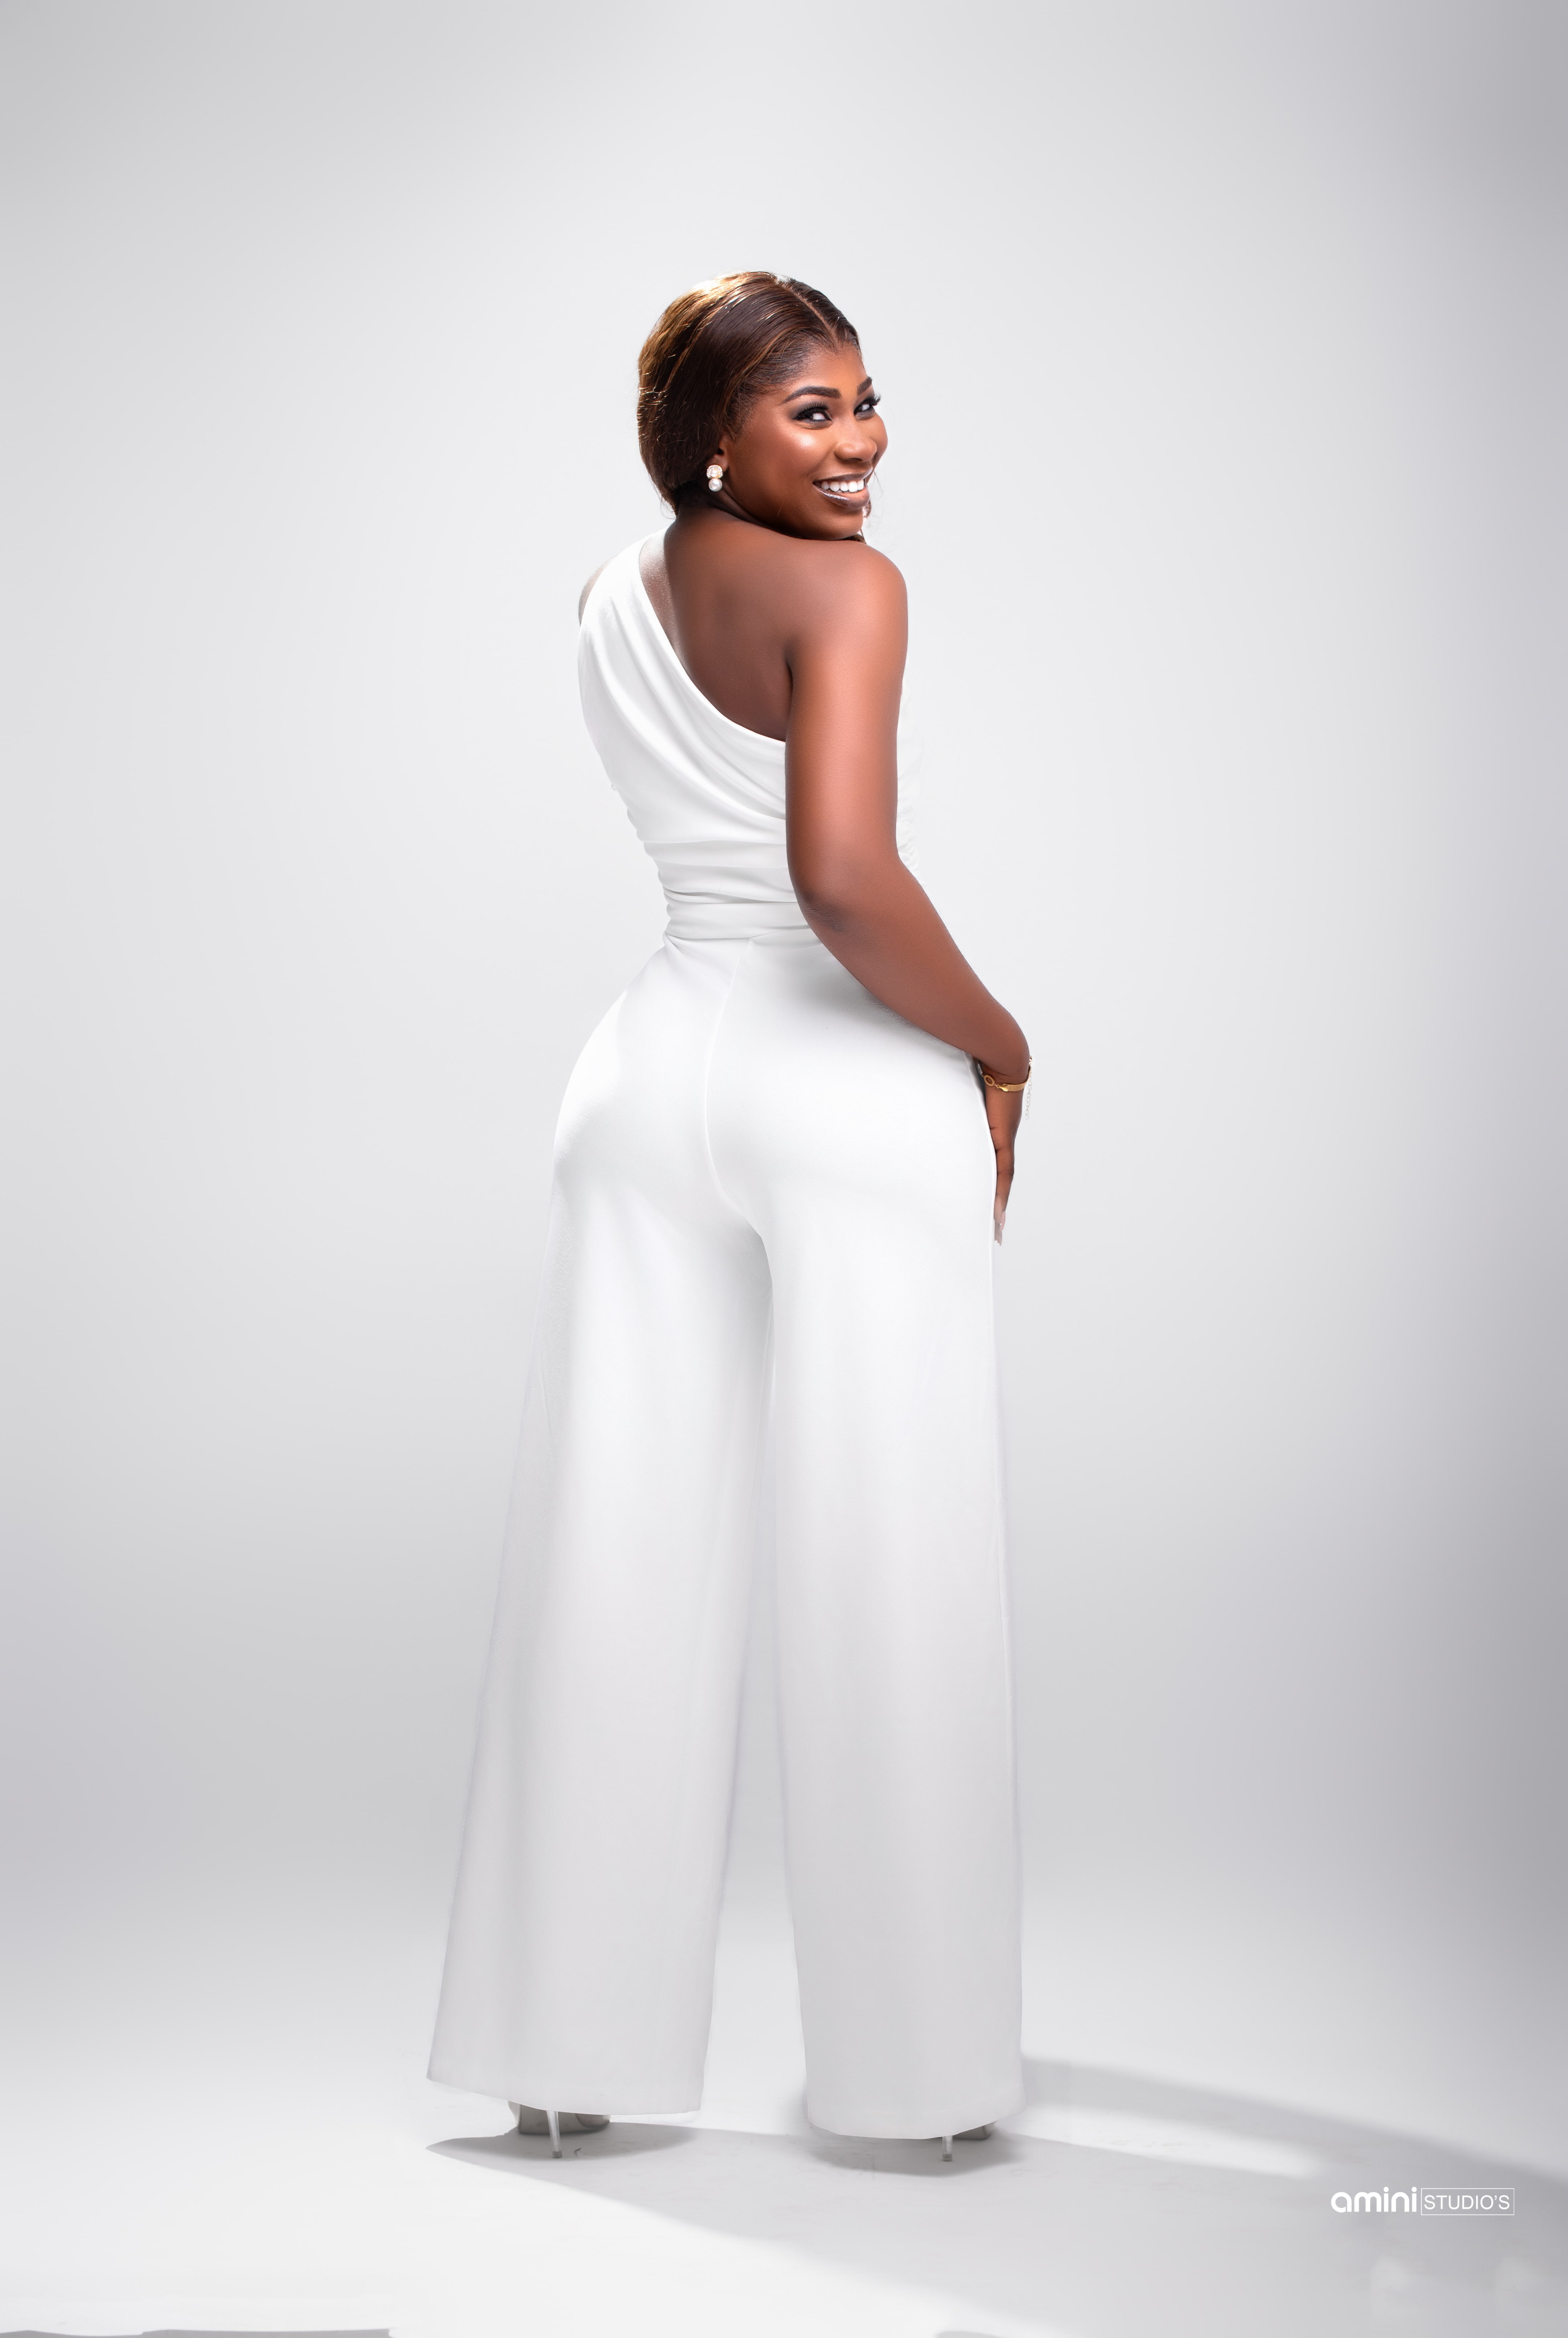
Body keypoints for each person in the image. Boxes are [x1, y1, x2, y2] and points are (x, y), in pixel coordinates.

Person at [428, 272, 1030, 2158]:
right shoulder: (854, 593)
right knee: (893, 1557)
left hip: (645, 1075)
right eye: (812, 412)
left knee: (610, 1544)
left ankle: (557, 2053)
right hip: (841, 1085)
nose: (861, 446)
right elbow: (841, 881)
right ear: (710, 435)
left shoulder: (607, 594)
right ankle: (918, 2086)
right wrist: (1003, 1045)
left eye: (867, 403)